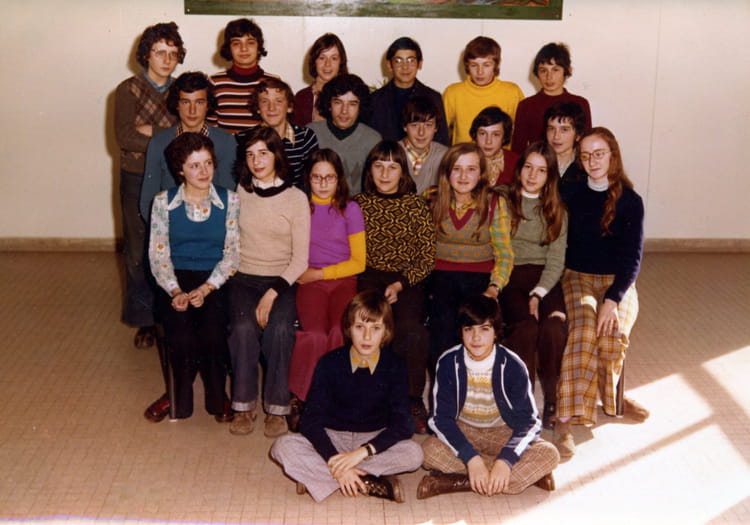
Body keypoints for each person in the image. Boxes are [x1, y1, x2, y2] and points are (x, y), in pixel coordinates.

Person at [271, 291, 423, 503]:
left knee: (414, 454)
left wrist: (362, 452)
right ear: (349, 328)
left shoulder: (395, 365)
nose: (367, 337)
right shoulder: (330, 362)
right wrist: (333, 457)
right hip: (333, 436)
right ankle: (363, 480)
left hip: (372, 440)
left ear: (386, 331)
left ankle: (320, 476)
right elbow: (310, 420)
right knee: (282, 447)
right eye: (360, 327)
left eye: (375, 328)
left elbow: (403, 425)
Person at [555, 127, 649, 459]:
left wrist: (613, 299)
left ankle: (611, 398)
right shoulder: (571, 193)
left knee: (613, 332)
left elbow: (632, 258)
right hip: (577, 276)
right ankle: (564, 419)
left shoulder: (631, 201)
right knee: (583, 330)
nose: (593, 161)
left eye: (599, 154)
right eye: (585, 156)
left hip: (617, 281)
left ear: (613, 155)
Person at [418, 295, 559, 499]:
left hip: (502, 430)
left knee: (549, 454)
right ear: (461, 332)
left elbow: (530, 422)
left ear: (496, 332)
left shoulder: (512, 365)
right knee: (427, 452)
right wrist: (471, 459)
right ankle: (506, 477)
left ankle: (462, 481)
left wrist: (505, 460)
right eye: (469, 329)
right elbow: (440, 419)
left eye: (484, 329)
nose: (476, 338)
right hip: (464, 429)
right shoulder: (448, 362)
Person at [147, 133, 238, 421]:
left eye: (208, 163)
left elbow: (232, 255)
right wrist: (175, 291)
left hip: (215, 278)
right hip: (175, 277)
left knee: (213, 332)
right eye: (194, 165)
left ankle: (217, 396)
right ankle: (177, 395)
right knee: (181, 333)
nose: (203, 171)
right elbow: (158, 255)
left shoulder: (230, 200)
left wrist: (207, 288)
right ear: (180, 170)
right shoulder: (163, 202)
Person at [227, 126, 310, 438]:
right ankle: (243, 406)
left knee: (280, 329)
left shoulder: (296, 198)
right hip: (244, 277)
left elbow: (300, 260)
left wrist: (273, 292)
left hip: (282, 279)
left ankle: (277, 408)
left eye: (263, 153)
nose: (256, 161)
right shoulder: (241, 192)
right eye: (250, 155)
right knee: (243, 328)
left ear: (277, 155)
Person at [354, 141, 436, 434]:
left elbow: (427, 257)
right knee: (368, 325)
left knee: (411, 329)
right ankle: (368, 396)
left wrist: (400, 284)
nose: (385, 174)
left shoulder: (416, 205)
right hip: (367, 274)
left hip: (407, 278)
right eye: (379, 166)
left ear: (403, 172)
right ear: (370, 170)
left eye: (392, 167)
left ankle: (412, 399)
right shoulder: (358, 204)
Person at [115, 22, 185, 350]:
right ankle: (145, 320)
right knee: (137, 250)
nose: (167, 59)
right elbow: (125, 137)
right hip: (136, 176)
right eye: (160, 52)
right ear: (146, 55)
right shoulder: (127, 90)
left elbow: (187, 133)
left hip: (173, 177)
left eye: (173, 53)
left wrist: (151, 132)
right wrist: (167, 136)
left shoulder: (181, 90)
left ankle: (171, 314)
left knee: (171, 246)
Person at [288, 149, 366, 414]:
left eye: (329, 177)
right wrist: (310, 275)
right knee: (314, 334)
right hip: (310, 283)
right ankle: (301, 396)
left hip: (343, 280)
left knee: (338, 331)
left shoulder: (350, 209)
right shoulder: (300, 208)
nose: (323, 184)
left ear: (339, 178)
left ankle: (336, 394)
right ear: (307, 178)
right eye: (316, 177)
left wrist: (320, 274)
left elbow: (359, 262)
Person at [498, 142, 568, 430]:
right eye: (528, 167)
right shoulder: (502, 199)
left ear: (549, 176)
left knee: (554, 328)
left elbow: (556, 260)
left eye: (541, 171)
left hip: (545, 279)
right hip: (510, 274)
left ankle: (551, 398)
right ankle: (523, 403)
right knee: (526, 328)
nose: (532, 175)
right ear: (519, 169)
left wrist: (539, 293)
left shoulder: (556, 209)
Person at [426, 142, 513, 372]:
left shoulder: (494, 203)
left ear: (481, 173)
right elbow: (422, 248)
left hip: (480, 275)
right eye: (457, 169)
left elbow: (504, 254)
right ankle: (445, 384)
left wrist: (494, 288)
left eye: (471, 169)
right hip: (440, 274)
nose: (463, 176)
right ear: (447, 172)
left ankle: (478, 383)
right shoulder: (432, 199)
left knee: (477, 323)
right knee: (443, 324)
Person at [140, 71, 237, 221]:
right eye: (186, 102)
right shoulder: (159, 142)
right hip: (170, 224)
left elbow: (229, 197)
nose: (192, 110)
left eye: (199, 102)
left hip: (214, 224)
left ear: (208, 105)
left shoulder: (225, 142)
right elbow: (148, 199)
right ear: (177, 105)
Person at [238, 78, 319, 189]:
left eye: (278, 101)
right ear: (258, 108)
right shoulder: (242, 139)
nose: (271, 108)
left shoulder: (305, 137)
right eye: (265, 101)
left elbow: (311, 181)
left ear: (289, 107)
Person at [366, 37, 449, 146]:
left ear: (420, 64)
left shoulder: (433, 98)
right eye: (398, 61)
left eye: (411, 60)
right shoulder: (375, 99)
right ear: (389, 65)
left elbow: (442, 143)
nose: (405, 67)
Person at [308, 74, 381, 195]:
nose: (344, 111)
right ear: (329, 104)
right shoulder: (310, 133)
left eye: (352, 104)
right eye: (338, 102)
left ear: (360, 107)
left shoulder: (373, 139)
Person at [511, 43, 592, 153]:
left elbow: (586, 146)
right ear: (537, 73)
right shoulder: (526, 105)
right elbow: (518, 150)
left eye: (555, 70)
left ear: (567, 71)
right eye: (543, 70)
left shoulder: (580, 103)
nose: (549, 77)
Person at [443, 36, 524, 144]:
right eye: (474, 65)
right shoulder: (453, 92)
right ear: (467, 65)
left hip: (501, 154)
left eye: (486, 65)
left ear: (497, 64)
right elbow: (439, 132)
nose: (480, 72)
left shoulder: (512, 92)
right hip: (464, 154)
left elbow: (523, 132)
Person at [208, 18, 277, 134]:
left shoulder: (273, 82)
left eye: (250, 43)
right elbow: (211, 130)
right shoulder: (214, 83)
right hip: (225, 146)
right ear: (229, 48)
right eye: (236, 43)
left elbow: (277, 128)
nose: (244, 48)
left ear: (259, 48)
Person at [292, 33, 348, 127]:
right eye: (322, 58)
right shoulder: (301, 97)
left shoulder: (350, 96)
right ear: (314, 61)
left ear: (341, 62)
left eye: (334, 58)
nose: (327, 64)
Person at [398, 96, 448, 195]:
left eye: (428, 125)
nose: (421, 132)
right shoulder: (391, 154)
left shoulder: (445, 156)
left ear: (436, 127)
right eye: (415, 125)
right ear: (405, 126)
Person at [469, 106, 519, 187]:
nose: (488, 141)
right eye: (483, 134)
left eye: (496, 135)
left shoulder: (516, 162)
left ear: (504, 137)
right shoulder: (463, 158)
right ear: (475, 135)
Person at [544, 101, 588, 188]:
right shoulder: (537, 162)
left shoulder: (586, 165)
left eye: (564, 130)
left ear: (578, 135)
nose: (556, 136)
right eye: (551, 128)